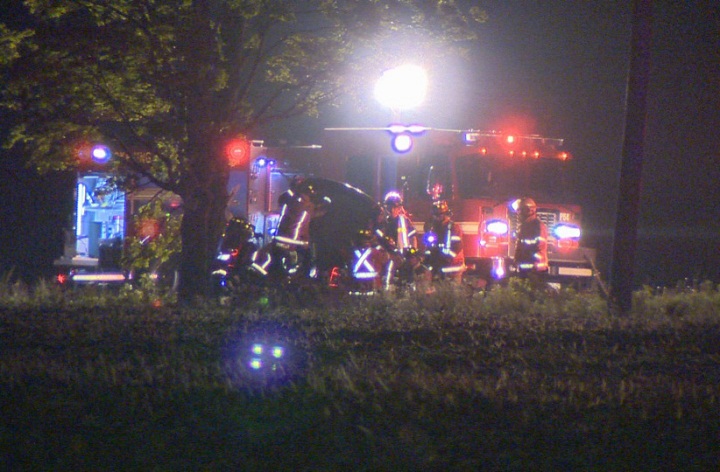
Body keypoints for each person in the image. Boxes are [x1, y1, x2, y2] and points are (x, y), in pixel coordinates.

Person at [375, 191, 419, 288]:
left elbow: (413, 237)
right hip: (389, 256)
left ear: (399, 208)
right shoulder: (383, 223)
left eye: (394, 207)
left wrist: (413, 253)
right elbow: (378, 240)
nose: (392, 210)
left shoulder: (405, 221)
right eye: (389, 207)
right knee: (388, 278)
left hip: (405, 256)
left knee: (408, 278)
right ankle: (387, 293)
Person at [422, 200, 465, 282]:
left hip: (453, 268)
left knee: (452, 290)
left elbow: (457, 248)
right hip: (437, 268)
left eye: (440, 214)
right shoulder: (431, 228)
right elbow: (428, 247)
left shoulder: (453, 228)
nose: (437, 217)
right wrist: (427, 260)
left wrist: (445, 258)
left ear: (446, 214)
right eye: (435, 215)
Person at [513, 197, 548, 281]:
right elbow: (520, 246)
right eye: (518, 211)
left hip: (536, 270)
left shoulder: (537, 226)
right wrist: (516, 260)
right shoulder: (524, 226)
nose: (518, 214)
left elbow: (539, 246)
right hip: (524, 268)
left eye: (520, 211)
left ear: (529, 211)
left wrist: (534, 264)